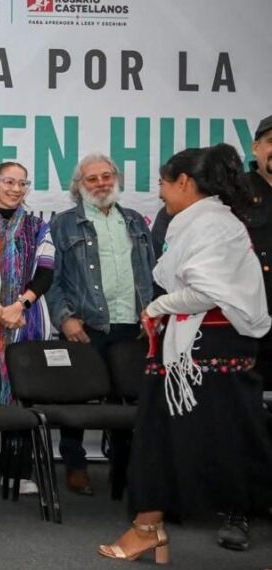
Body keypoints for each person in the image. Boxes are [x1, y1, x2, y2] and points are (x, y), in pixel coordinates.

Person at [98, 144, 272, 563]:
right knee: (159, 438)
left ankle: (148, 527)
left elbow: (206, 291)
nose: (159, 192)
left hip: (208, 354)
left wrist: (157, 306)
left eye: (162, 182)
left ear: (184, 182)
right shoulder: (198, 220)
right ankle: (147, 527)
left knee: (234, 447)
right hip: (189, 352)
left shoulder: (212, 224)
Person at [45, 153, 155, 496]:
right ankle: (75, 465)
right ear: (78, 186)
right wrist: (65, 319)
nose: (101, 184)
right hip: (84, 327)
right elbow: (51, 279)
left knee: (126, 401)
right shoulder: (63, 224)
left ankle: (123, 469)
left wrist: (150, 312)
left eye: (106, 176)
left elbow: (152, 270)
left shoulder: (135, 221)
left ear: (116, 179)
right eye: (91, 179)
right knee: (76, 399)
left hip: (132, 325)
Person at [0, 161, 54, 496]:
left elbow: (46, 271)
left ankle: (19, 470)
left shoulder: (37, 226)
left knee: (22, 392)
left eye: (22, 183)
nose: (15, 189)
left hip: (23, 321)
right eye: (8, 182)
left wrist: (20, 305)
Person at [214, 114, 272, 551]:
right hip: (246, 324)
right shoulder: (233, 197)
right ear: (256, 149)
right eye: (271, 143)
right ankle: (238, 510)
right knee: (242, 418)